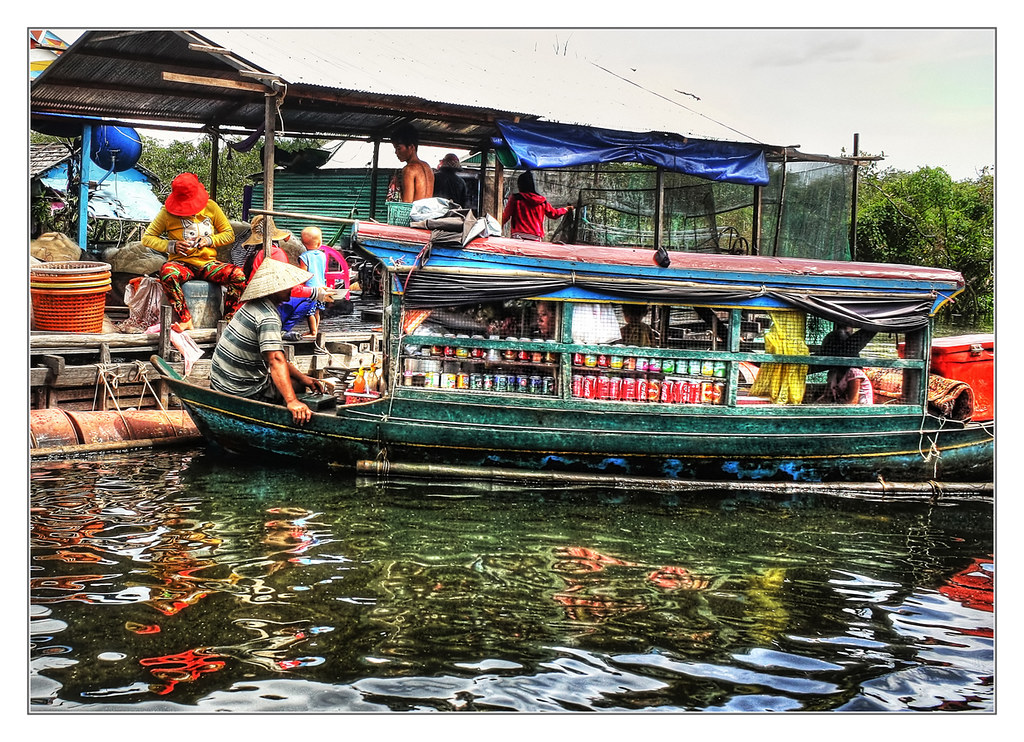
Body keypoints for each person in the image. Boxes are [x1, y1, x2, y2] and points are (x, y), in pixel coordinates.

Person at [210, 257, 330, 426]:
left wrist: (304, 377)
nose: (291, 289)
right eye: (285, 286)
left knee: (298, 381)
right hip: (241, 391)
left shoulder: (251, 306)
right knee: (296, 387)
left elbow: (275, 356)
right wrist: (292, 401)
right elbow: (275, 360)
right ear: (274, 289)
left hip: (220, 384)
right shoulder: (268, 317)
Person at [142, 172, 245, 331]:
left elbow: (228, 234)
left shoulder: (211, 207)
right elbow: (147, 238)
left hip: (208, 265)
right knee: (167, 273)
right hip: (181, 264)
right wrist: (172, 246)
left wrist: (208, 240)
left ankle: (228, 321)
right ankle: (185, 319)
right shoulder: (166, 213)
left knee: (238, 275)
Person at [238, 215, 334, 343]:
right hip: (263, 307)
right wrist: (315, 292)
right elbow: (285, 286)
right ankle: (281, 329)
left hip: (249, 307)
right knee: (310, 299)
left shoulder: (253, 254)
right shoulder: (276, 253)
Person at [278, 226, 329, 347]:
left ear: (303, 243)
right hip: (322, 288)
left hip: (310, 289)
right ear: (319, 243)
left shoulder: (304, 256)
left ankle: (313, 332)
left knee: (309, 313)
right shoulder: (323, 255)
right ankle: (315, 330)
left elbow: (303, 273)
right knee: (317, 312)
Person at [501, 171, 574, 240]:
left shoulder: (515, 199)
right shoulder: (541, 201)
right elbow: (554, 214)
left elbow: (505, 216)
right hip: (536, 237)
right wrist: (566, 209)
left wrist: (498, 226)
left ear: (520, 185)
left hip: (518, 235)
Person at [818, 324, 877, 405]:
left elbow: (853, 402)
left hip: (859, 409)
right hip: (842, 406)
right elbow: (826, 396)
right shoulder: (833, 373)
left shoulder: (854, 373)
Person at [387, 123, 434, 203]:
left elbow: (407, 203)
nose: (396, 152)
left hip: (415, 211)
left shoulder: (409, 169)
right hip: (427, 210)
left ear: (411, 147)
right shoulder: (427, 167)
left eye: (399, 148)